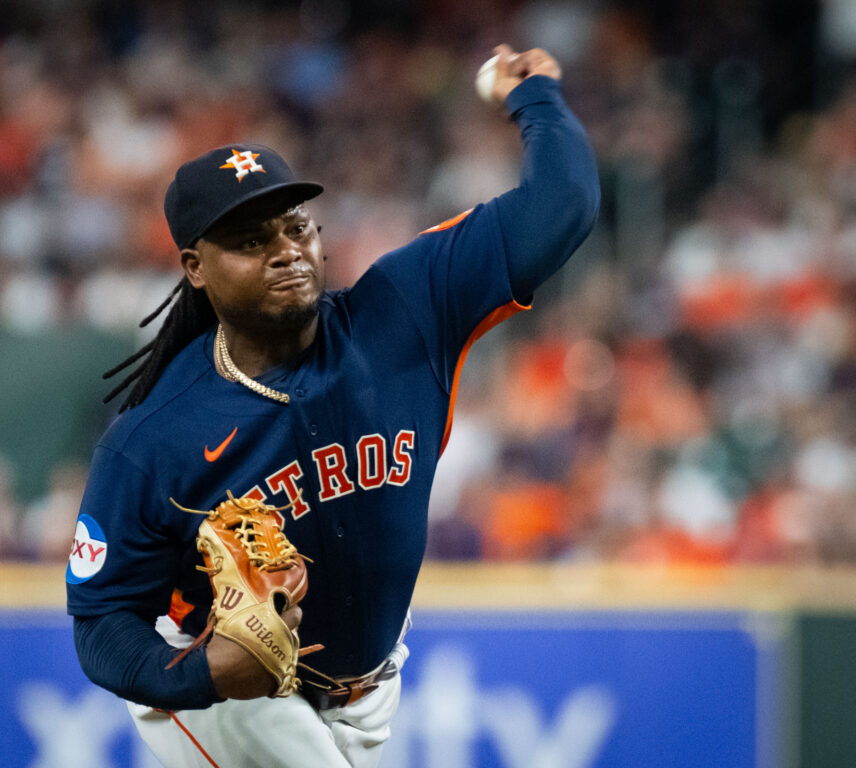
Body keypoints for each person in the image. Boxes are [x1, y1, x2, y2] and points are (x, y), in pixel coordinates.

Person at [66, 45, 599, 768]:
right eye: (250, 241)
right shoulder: (154, 438)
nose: (286, 250)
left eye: (296, 227)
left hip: (370, 689)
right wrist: (200, 673)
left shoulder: (404, 310)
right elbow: (101, 617)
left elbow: (561, 206)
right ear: (194, 267)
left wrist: (536, 97)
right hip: (227, 695)